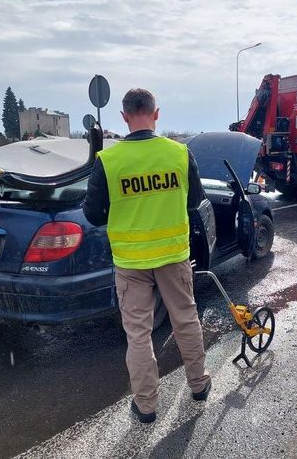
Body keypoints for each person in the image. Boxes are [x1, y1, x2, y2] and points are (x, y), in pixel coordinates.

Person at [83, 88, 211, 424]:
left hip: (130, 262)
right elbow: (194, 200)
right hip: (173, 254)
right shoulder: (180, 154)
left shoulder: (108, 162)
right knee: (185, 318)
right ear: (156, 114)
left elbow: (94, 215)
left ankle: (146, 406)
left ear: (124, 117)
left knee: (138, 334)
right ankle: (199, 385)